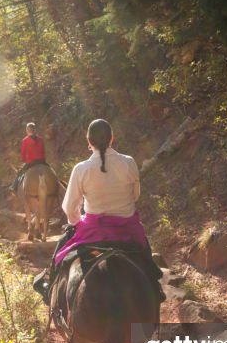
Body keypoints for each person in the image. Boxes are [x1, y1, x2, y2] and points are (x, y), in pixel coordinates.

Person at [33, 118, 163, 302]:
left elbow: (70, 207)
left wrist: (76, 223)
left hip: (93, 230)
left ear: (88, 141)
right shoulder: (128, 163)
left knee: (61, 252)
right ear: (112, 139)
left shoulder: (81, 169)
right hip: (128, 228)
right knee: (145, 254)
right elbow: (135, 196)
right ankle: (156, 287)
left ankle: (49, 285)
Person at [8, 122, 46, 193]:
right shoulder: (40, 139)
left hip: (31, 162)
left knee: (20, 173)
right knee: (51, 171)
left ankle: (13, 187)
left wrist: (24, 161)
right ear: (34, 130)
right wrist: (43, 161)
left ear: (27, 130)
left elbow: (23, 155)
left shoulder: (25, 140)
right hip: (41, 161)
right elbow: (43, 152)